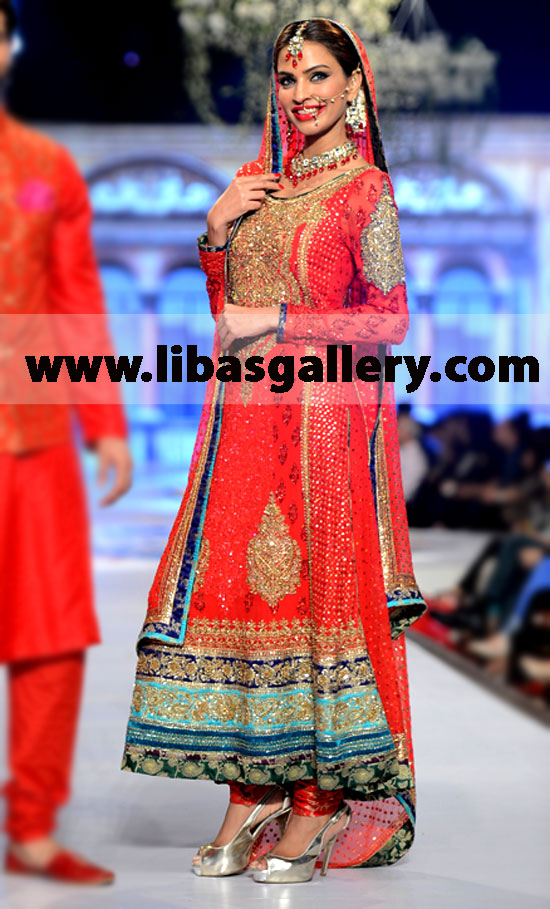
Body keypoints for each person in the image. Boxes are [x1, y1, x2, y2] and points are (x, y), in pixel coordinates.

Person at [121, 17, 427, 884]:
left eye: (319, 76)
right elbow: (229, 316)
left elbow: (390, 321)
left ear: (354, 85)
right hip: (243, 422)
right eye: (289, 80)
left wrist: (283, 320)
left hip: (321, 424)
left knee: (313, 600)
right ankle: (252, 786)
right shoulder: (257, 184)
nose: (301, 95)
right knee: (246, 598)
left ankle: (318, 799)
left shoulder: (367, 191)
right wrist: (216, 232)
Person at [0, 0, 132, 885]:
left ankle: (33, 826)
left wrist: (105, 421)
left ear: (8, 47)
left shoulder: (47, 169)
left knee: (49, 631)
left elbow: (74, 298)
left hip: (34, 429)